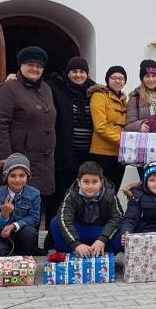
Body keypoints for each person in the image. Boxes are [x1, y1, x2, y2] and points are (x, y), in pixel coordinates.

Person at [0, 46, 57, 221]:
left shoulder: (47, 88)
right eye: (30, 64)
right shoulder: (8, 88)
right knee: (12, 204)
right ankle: (8, 244)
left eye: (39, 66)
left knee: (34, 202)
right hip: (17, 157)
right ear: (20, 65)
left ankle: (31, 246)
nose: (35, 69)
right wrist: (4, 157)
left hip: (42, 159)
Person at [48, 57, 97, 215]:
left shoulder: (94, 91)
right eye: (74, 71)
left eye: (82, 71)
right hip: (64, 153)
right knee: (60, 194)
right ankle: (54, 231)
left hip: (88, 153)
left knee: (83, 194)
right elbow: (34, 84)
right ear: (67, 73)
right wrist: (13, 77)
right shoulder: (56, 88)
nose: (78, 75)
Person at [50, 160, 123, 256]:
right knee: (55, 222)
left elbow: (117, 217)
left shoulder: (109, 195)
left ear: (101, 182)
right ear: (79, 182)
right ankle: (77, 250)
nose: (90, 186)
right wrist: (76, 244)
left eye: (95, 182)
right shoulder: (71, 195)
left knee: (121, 239)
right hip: (80, 230)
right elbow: (64, 219)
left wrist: (102, 239)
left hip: (100, 230)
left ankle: (98, 249)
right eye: (86, 182)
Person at [0, 153, 41, 257]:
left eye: (22, 175)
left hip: (20, 233)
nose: (17, 180)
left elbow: (34, 217)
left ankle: (25, 258)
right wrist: (4, 215)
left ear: (28, 176)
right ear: (6, 177)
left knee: (30, 232)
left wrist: (14, 226)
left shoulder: (34, 194)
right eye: (13, 175)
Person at [89, 66, 129, 191]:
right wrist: (123, 140)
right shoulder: (99, 96)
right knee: (101, 191)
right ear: (107, 79)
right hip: (102, 153)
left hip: (119, 153)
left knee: (114, 190)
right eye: (114, 78)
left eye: (121, 78)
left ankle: (111, 211)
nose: (118, 81)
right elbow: (100, 127)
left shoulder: (123, 99)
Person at [125, 59, 156, 132]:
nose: (151, 79)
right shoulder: (135, 98)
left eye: (154, 76)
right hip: (144, 140)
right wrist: (139, 125)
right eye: (147, 76)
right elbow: (128, 125)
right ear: (142, 79)